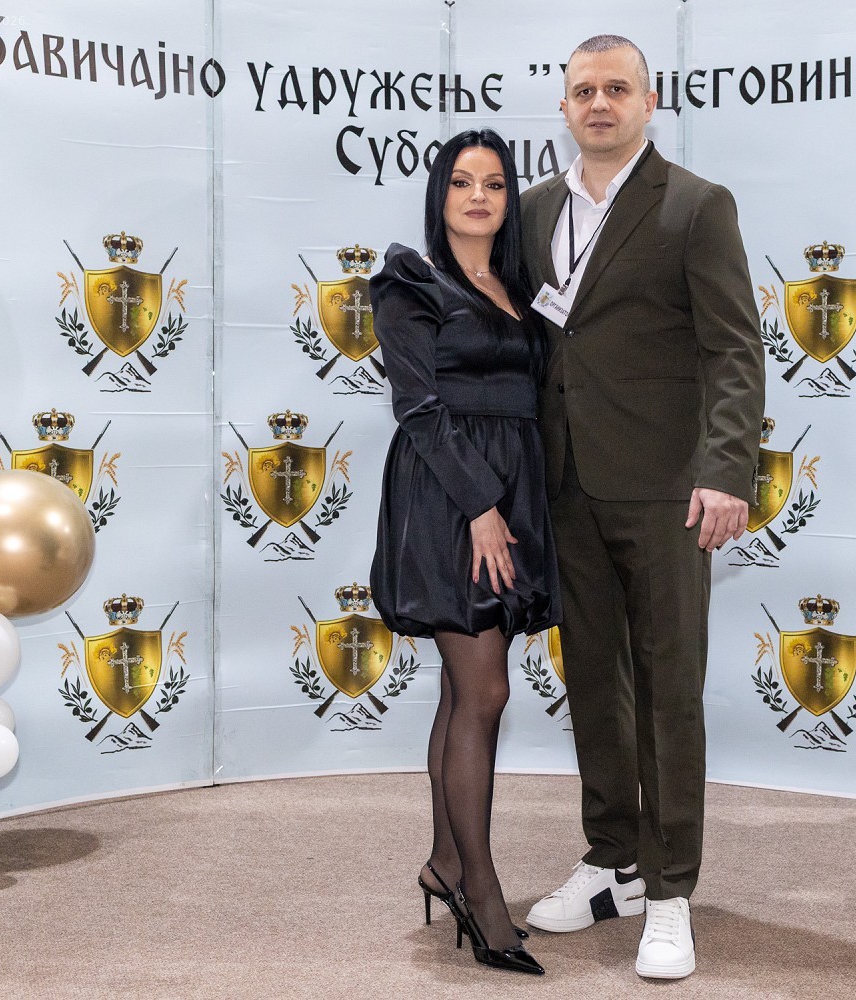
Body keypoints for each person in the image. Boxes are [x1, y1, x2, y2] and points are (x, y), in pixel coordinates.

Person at [518, 35, 766, 980]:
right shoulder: (534, 208)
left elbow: (735, 349)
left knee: (667, 690)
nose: (599, 103)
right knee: (592, 681)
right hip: (564, 484)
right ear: (564, 106)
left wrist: (727, 470)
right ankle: (612, 861)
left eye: (616, 88)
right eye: (583, 90)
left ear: (648, 101)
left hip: (668, 488)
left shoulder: (696, 205)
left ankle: (669, 892)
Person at [369, 128, 558, 977]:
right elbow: (417, 404)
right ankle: (482, 891)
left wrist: (514, 501)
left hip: (513, 493)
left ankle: (444, 863)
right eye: (461, 182)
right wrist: (481, 505)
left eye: (493, 183)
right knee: (485, 692)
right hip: (451, 498)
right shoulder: (411, 280)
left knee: (461, 690)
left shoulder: (521, 285)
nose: (478, 196)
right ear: (439, 195)